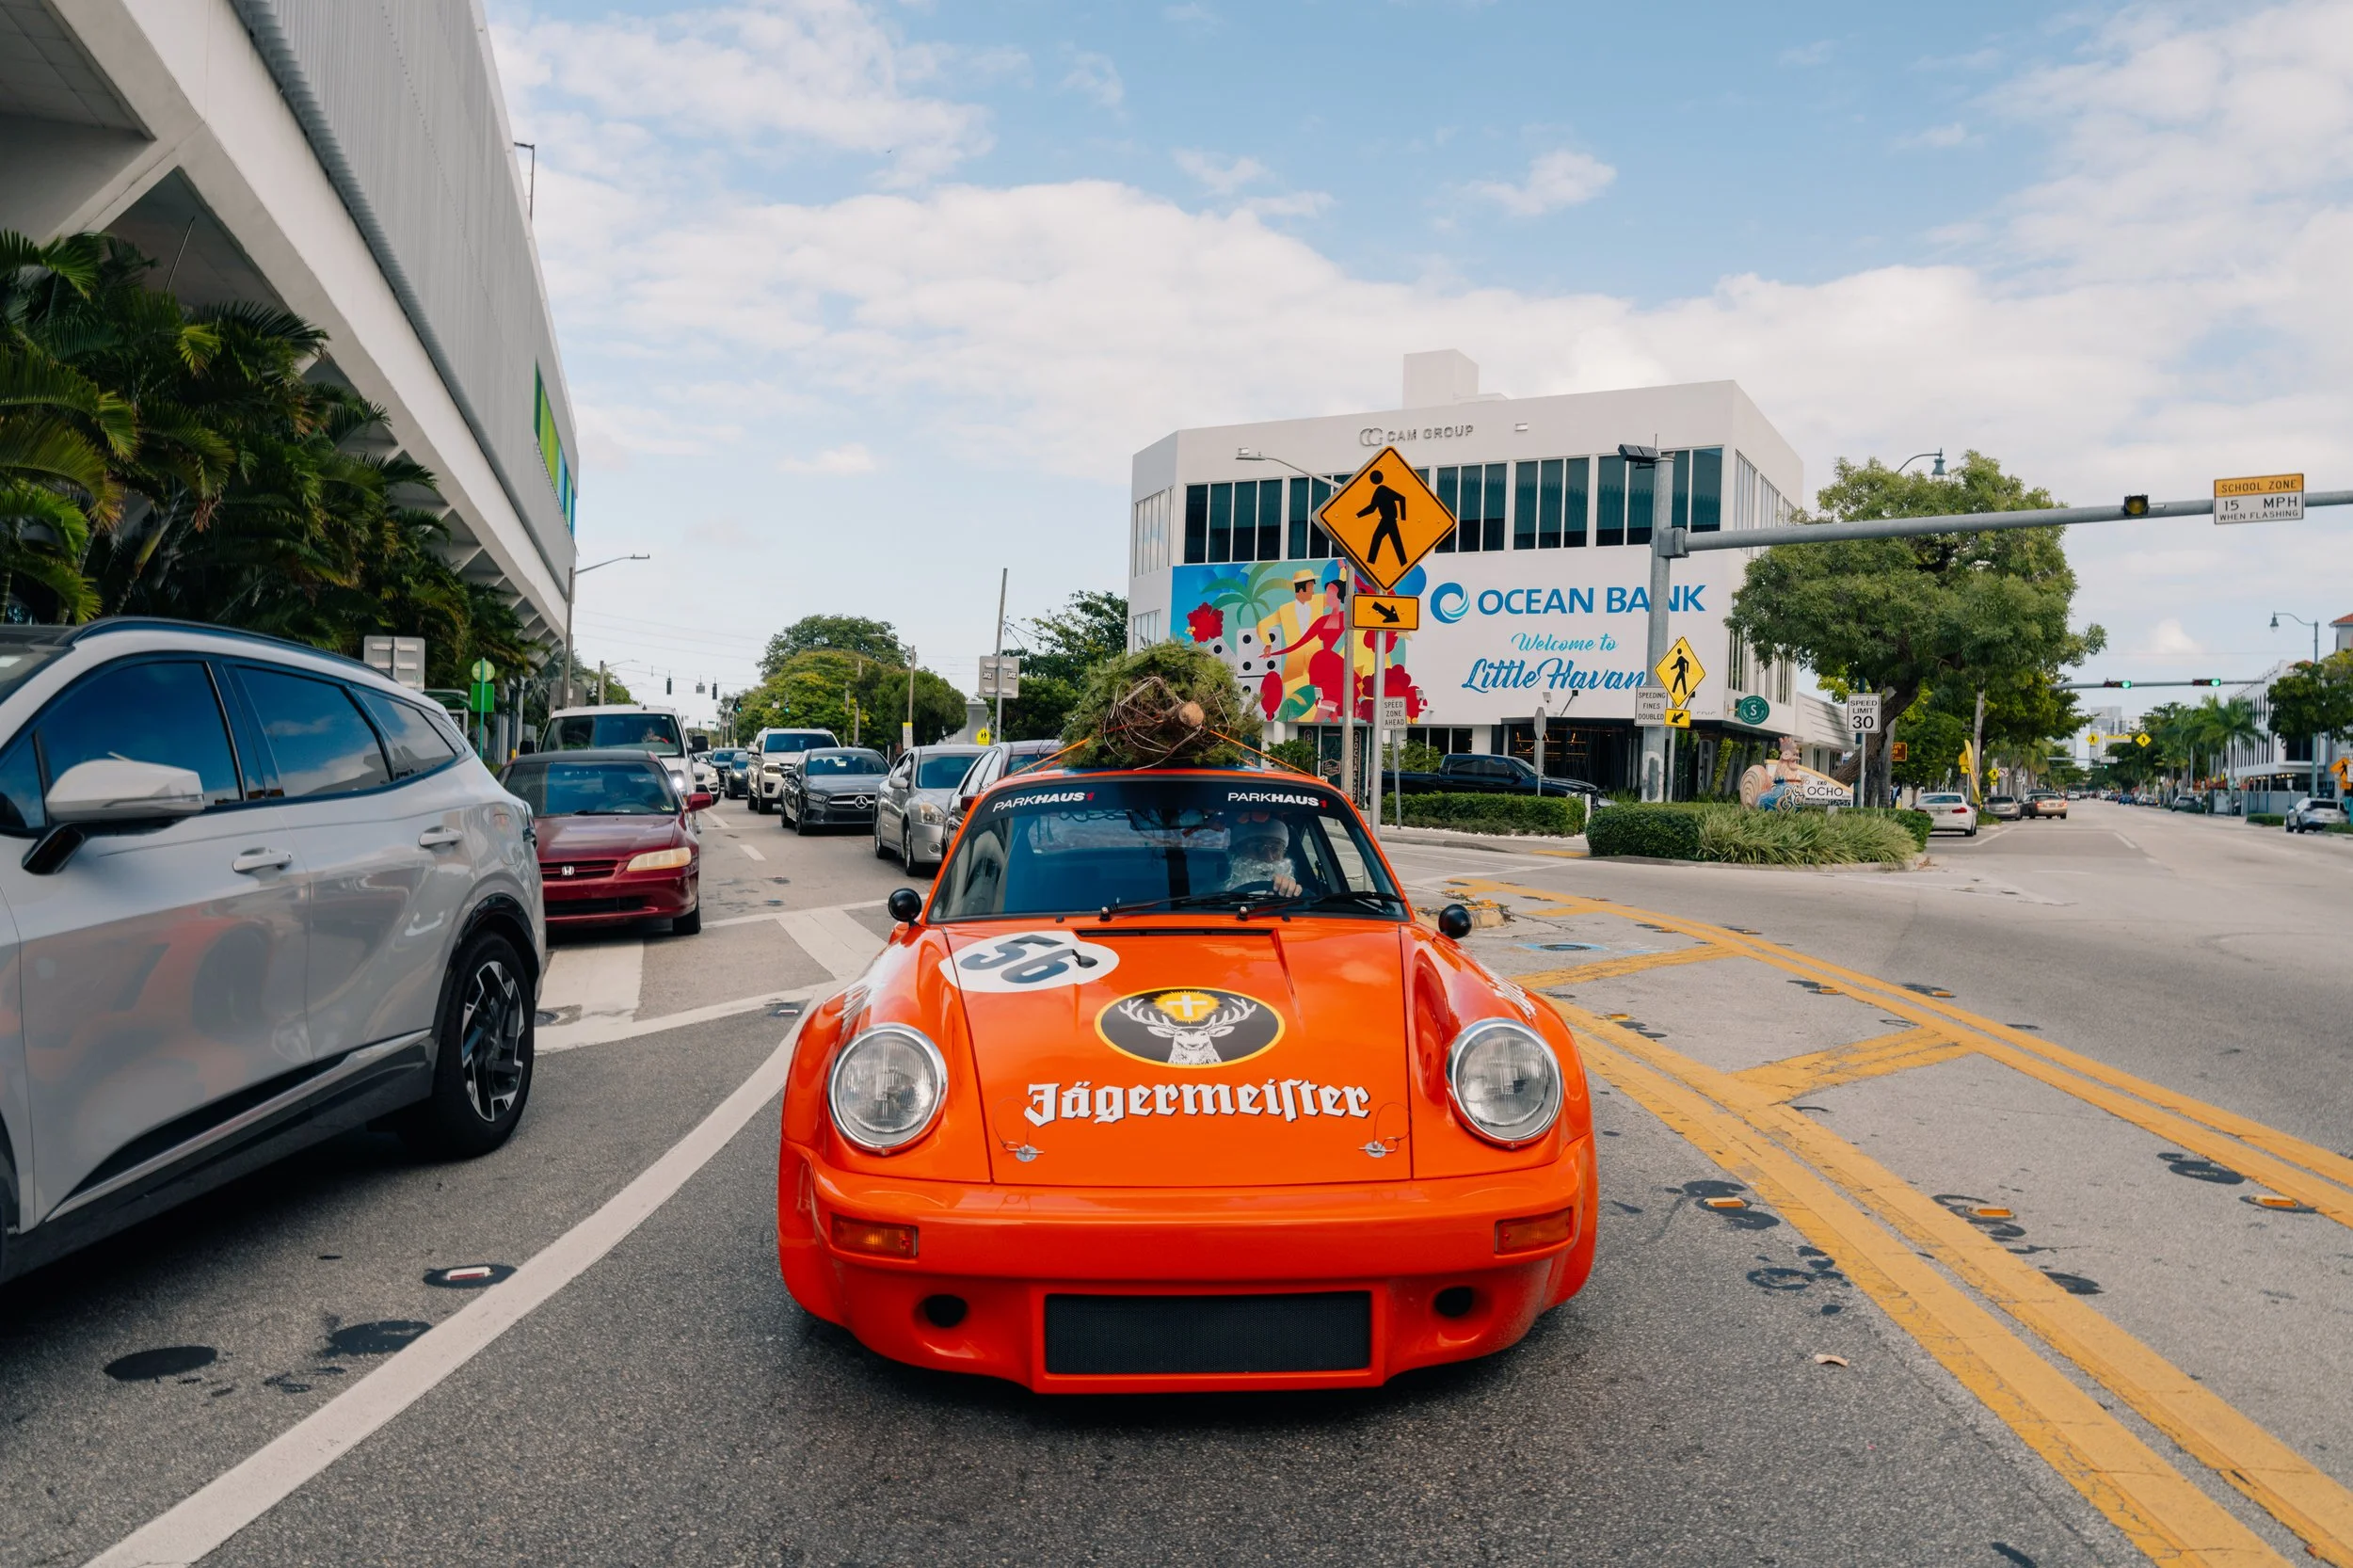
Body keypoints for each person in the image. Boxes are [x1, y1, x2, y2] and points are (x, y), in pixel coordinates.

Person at [1225, 812, 1303, 898]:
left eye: (1275, 849)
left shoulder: (1302, 899)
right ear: (1234, 853)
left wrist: (1291, 895)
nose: (1268, 857)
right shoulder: (1212, 898)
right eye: (1256, 847)